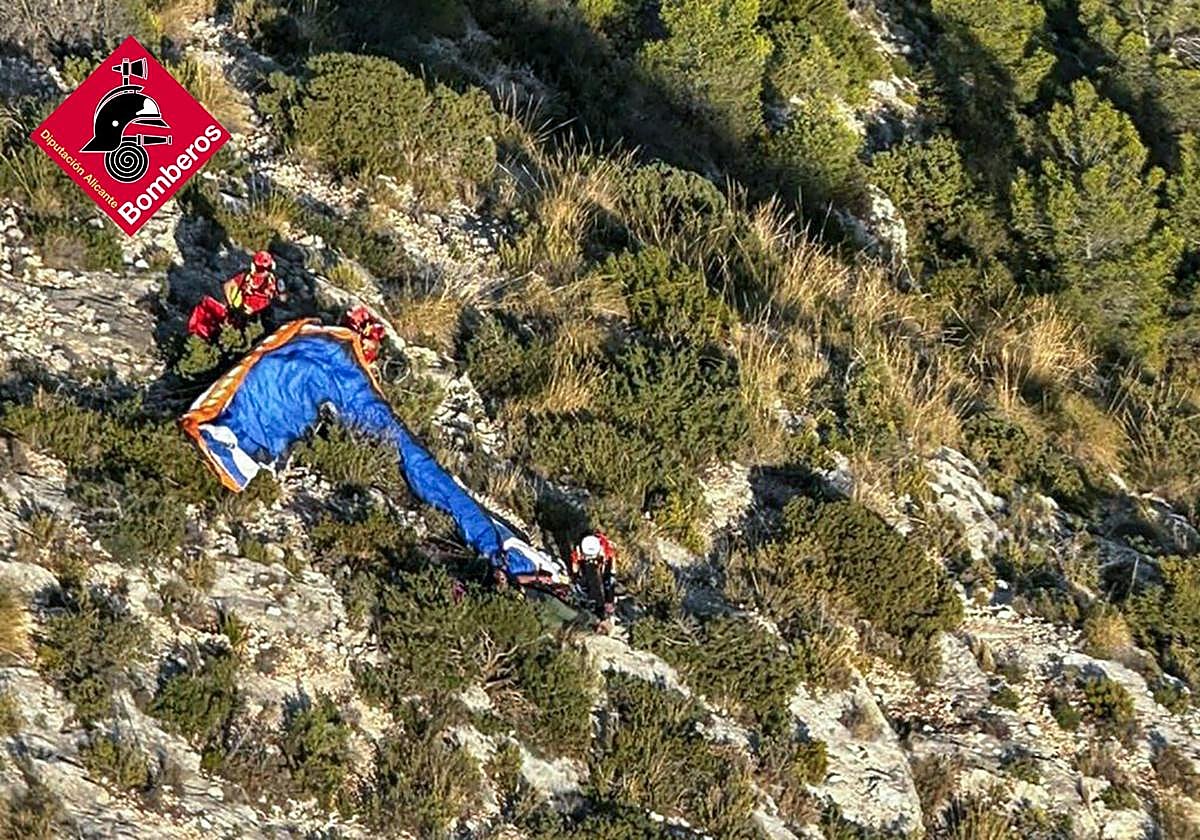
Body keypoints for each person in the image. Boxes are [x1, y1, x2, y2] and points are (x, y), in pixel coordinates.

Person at [187, 250, 286, 340]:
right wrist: (232, 306)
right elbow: (227, 286)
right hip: (245, 314)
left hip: (260, 314)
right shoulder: (247, 277)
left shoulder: (270, 279)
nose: (264, 272)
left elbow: (282, 297)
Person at [569, 532, 617, 633]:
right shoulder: (579, 551)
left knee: (609, 582)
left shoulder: (606, 548)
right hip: (587, 565)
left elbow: (612, 563)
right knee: (584, 582)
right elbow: (575, 566)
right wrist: (576, 577)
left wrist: (611, 574)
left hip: (603, 562)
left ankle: (609, 606)